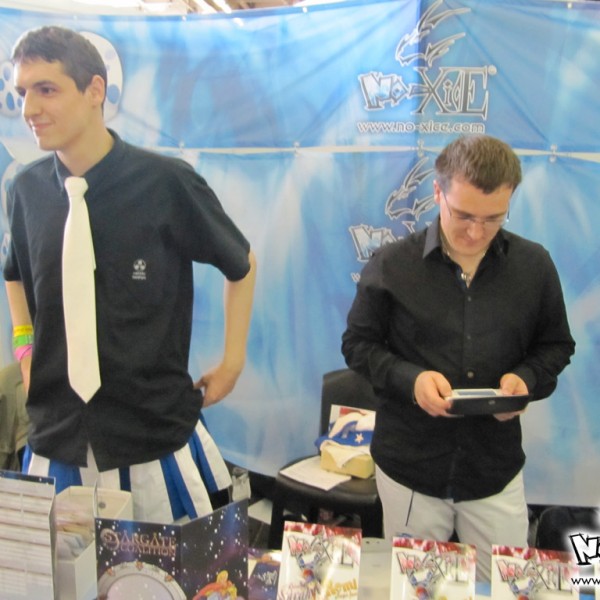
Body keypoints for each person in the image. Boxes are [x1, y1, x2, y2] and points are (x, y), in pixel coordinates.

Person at [4, 25, 257, 523]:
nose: (29, 108)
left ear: (94, 90)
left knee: (164, 565)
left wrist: (233, 361)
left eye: (46, 89)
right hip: (58, 439)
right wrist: (25, 348)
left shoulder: (166, 183)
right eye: (22, 92)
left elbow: (241, 263)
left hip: (151, 438)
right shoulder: (26, 191)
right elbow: (13, 271)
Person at [341, 135, 575, 581]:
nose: (476, 232)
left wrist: (526, 380)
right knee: (416, 587)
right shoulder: (392, 265)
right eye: (463, 215)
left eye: (493, 218)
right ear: (437, 192)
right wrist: (411, 381)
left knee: (507, 586)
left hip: (493, 469)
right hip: (410, 466)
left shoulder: (534, 266)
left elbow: (556, 346)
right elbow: (357, 345)